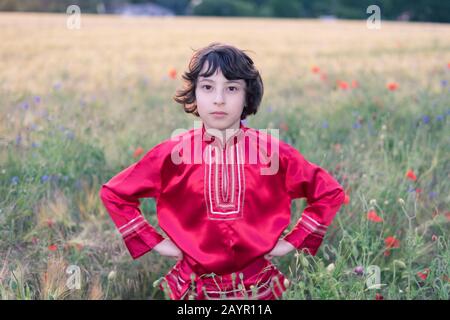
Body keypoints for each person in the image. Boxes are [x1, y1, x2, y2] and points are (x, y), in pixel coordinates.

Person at [99, 42, 346, 300]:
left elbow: (329, 192)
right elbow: (115, 194)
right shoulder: (173, 154)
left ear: (247, 96)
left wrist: (293, 241)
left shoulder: (273, 153)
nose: (219, 99)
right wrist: (158, 244)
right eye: (207, 87)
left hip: (257, 289)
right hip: (192, 288)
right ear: (194, 94)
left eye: (231, 88)